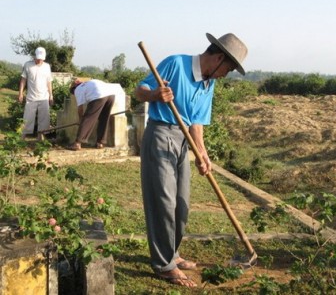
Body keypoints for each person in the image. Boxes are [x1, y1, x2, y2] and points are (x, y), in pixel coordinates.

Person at [135, 32, 248, 287]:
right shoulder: (175, 63)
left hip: (184, 140)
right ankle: (164, 265)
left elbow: (196, 121)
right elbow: (139, 90)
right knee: (162, 200)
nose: (225, 75)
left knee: (181, 202)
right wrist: (155, 95)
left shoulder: (209, 82)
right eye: (227, 70)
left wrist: (202, 153)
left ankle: (173, 252)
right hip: (161, 134)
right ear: (218, 58)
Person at [68, 79, 123, 150]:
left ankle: (77, 143)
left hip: (98, 95)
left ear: (73, 89)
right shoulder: (87, 84)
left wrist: (81, 120)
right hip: (111, 95)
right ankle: (100, 143)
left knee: (88, 118)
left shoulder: (77, 89)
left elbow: (80, 109)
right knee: (104, 118)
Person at [18, 47, 53, 139]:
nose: (39, 60)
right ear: (35, 56)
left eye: (41, 59)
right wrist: (21, 93)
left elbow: (49, 82)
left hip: (44, 97)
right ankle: (22, 137)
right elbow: (23, 80)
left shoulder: (47, 66)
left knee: (44, 118)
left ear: (44, 58)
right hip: (31, 97)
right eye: (38, 58)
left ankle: (40, 137)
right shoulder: (28, 65)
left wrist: (51, 95)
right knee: (27, 118)